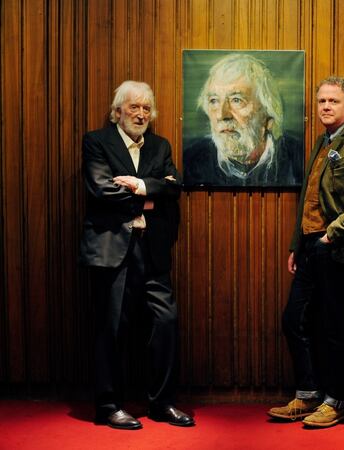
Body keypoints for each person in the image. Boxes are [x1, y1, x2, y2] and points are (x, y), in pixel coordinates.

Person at [267, 76, 344, 428]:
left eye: (333, 101)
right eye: (321, 101)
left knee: (336, 328)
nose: (326, 107)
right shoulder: (322, 141)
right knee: (294, 320)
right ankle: (308, 394)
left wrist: (331, 235)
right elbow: (309, 197)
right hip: (311, 248)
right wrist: (296, 244)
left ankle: (337, 400)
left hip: (339, 250)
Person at [80, 81, 193, 430]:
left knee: (166, 322)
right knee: (112, 327)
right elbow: (101, 190)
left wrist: (140, 185)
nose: (141, 114)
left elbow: (174, 187)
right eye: (134, 107)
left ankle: (162, 403)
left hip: (151, 249)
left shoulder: (160, 145)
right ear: (118, 112)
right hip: (112, 249)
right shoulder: (96, 141)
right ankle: (109, 406)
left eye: (146, 108)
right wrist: (152, 196)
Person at [183, 53, 303, 187]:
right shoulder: (191, 161)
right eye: (214, 101)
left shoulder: (299, 158)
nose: (222, 115)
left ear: (267, 113)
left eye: (236, 100)